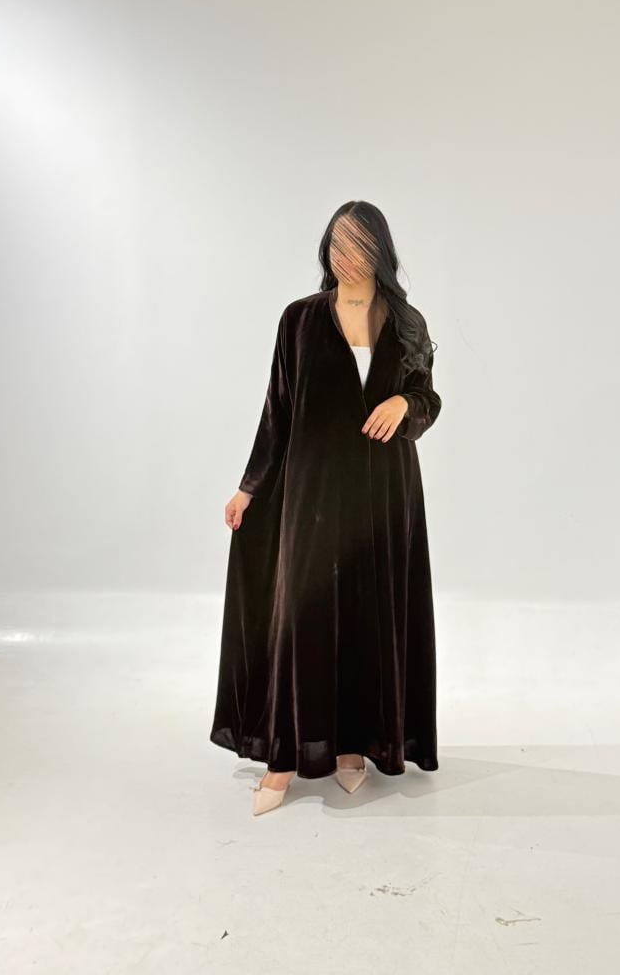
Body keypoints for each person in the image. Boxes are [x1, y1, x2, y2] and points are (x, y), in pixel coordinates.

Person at [210, 200, 442, 815]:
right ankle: (283, 760)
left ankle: (351, 749)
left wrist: (404, 406)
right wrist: (249, 488)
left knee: (368, 619)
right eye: (337, 243)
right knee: (302, 617)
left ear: (380, 252)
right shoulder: (300, 319)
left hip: (383, 496)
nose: (345, 255)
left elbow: (427, 397)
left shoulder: (407, 322)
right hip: (311, 494)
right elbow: (277, 411)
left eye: (358, 245)